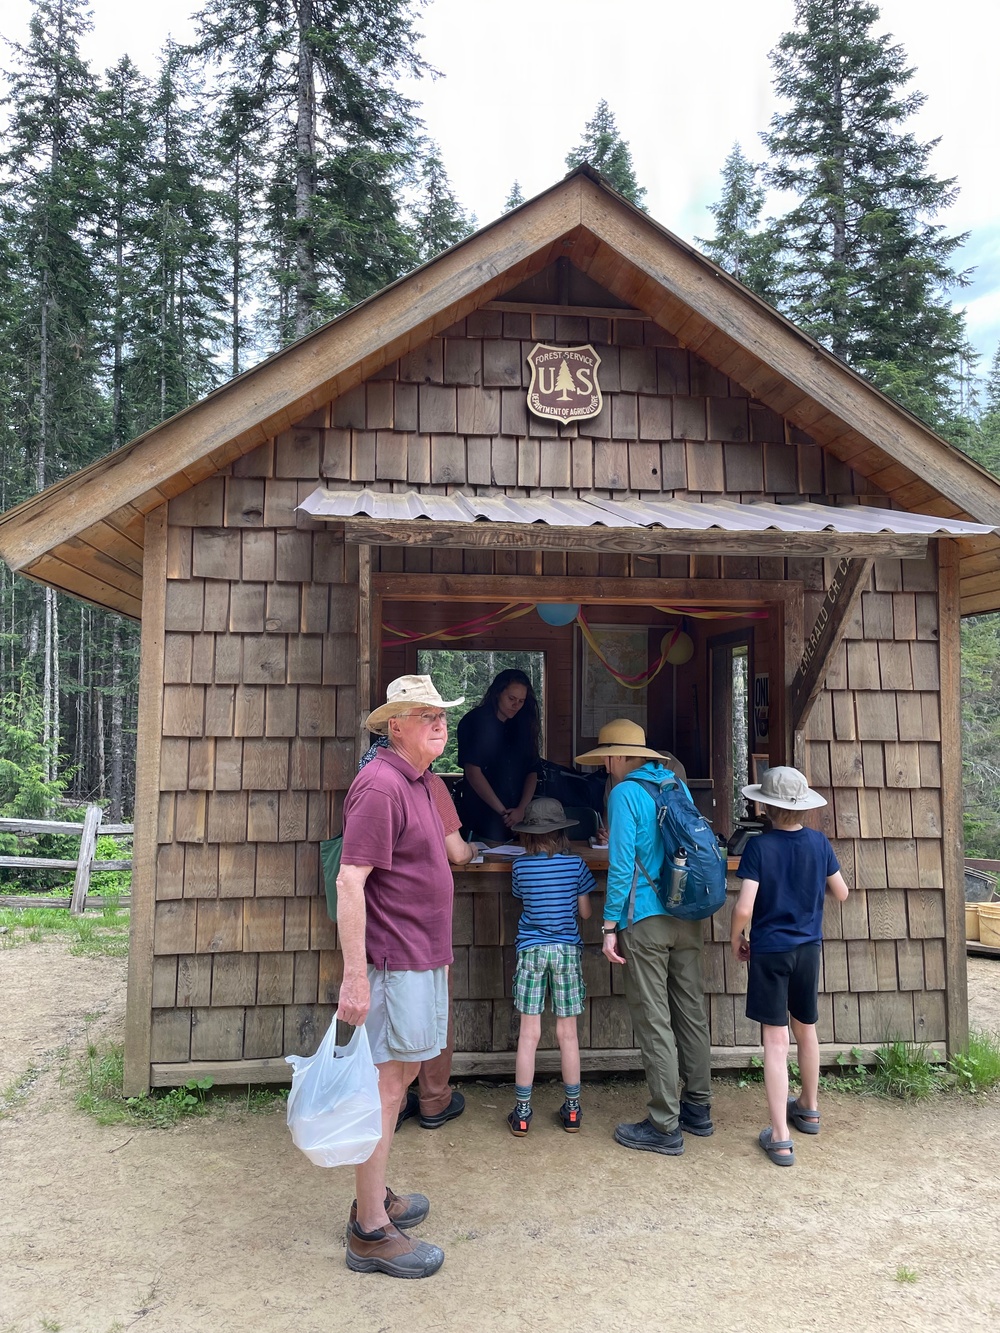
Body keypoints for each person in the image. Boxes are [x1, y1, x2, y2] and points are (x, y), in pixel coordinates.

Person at [336, 674, 465, 1279]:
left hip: (419, 956)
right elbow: (350, 881)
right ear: (395, 726)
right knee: (388, 1088)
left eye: (441, 713)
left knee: (403, 1075)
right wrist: (355, 978)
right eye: (425, 714)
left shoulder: (415, 781)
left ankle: (375, 1193)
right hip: (393, 962)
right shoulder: (381, 785)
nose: (439, 722)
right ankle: (370, 1230)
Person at [576, 719, 713, 1156]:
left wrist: (609, 926)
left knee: (654, 1020)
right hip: (687, 914)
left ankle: (663, 1124)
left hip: (647, 920)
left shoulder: (623, 794)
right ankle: (698, 1109)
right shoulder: (676, 785)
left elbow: (621, 867)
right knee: (690, 1013)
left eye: (605, 761)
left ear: (615, 757)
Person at [730, 765, 850, 1167]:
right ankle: (810, 1108)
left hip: (771, 951)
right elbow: (842, 892)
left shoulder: (759, 848)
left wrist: (738, 936)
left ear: (765, 805)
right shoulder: (819, 843)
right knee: (806, 1029)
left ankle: (780, 1137)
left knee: (775, 1041)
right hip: (807, 949)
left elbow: (745, 905)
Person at [357, 734, 473, 1132]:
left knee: (400, 1036)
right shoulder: (420, 783)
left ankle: (399, 1101)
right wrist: (475, 850)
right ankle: (434, 1099)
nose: (439, 727)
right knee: (425, 1022)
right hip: (410, 939)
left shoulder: (382, 778)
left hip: (402, 936)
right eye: (430, 718)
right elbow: (456, 851)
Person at [505, 798, 595, 1136]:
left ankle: (523, 1113)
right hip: (566, 952)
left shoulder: (520, 868)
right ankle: (572, 1110)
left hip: (531, 951)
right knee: (567, 1034)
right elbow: (585, 914)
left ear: (528, 834)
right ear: (561, 832)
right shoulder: (576, 866)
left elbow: (521, 898)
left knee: (529, 1035)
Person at [457, 669, 542, 843]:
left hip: (521, 819)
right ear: (497, 693)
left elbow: (532, 771)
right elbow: (473, 772)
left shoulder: (524, 723)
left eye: (521, 701)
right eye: (511, 699)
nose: (516, 705)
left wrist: (521, 809)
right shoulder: (474, 721)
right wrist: (504, 813)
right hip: (482, 818)